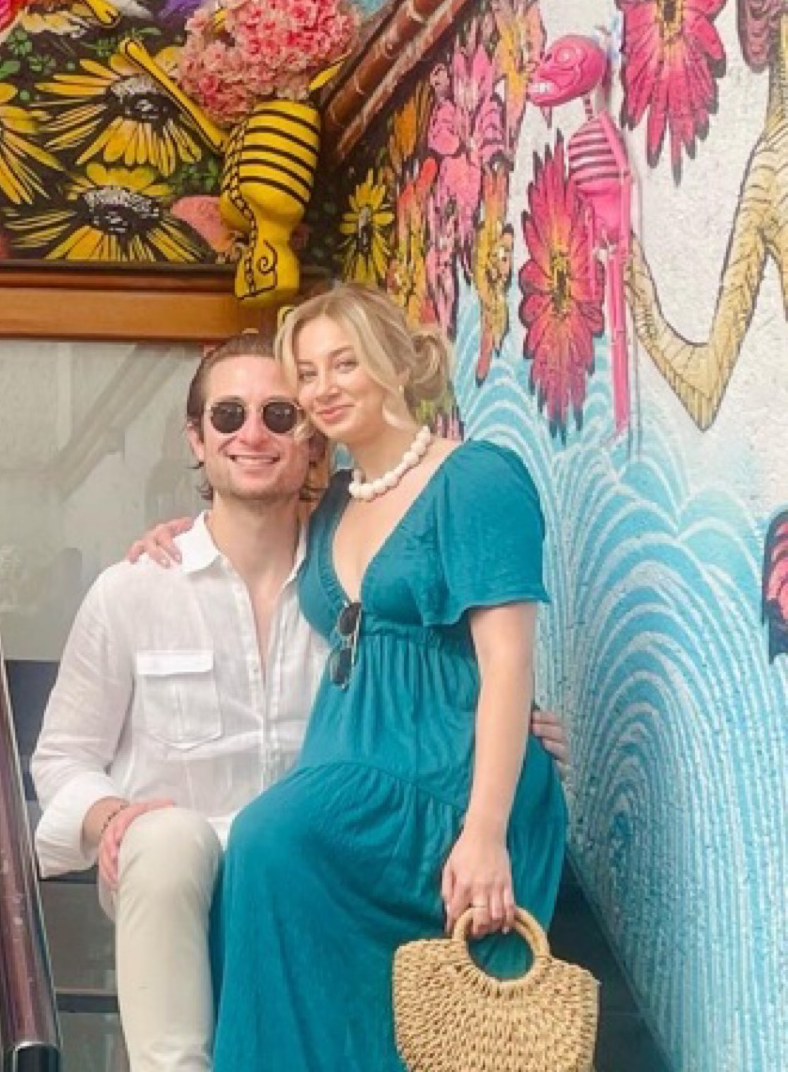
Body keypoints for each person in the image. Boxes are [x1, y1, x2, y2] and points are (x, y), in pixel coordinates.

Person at [32, 330, 568, 1072]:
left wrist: (500, 729)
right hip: (180, 875)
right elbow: (61, 758)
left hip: (322, 867)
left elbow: (431, 670)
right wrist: (109, 816)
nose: (252, 434)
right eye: (228, 416)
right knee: (169, 839)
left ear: (311, 438)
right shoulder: (133, 591)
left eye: (280, 414)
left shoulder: (344, 578)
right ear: (196, 438)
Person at [205, 285, 568, 1072]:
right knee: (260, 872)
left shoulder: (476, 478)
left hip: (446, 787)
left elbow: (507, 659)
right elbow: (248, 529)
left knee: (266, 840)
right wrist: (171, 536)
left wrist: (486, 832)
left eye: (345, 363)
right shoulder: (335, 501)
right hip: (353, 772)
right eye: (307, 373)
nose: (323, 388)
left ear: (398, 364)